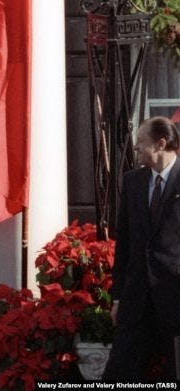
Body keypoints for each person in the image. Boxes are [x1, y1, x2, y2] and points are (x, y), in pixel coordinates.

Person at [103, 116, 180, 380]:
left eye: (140, 145)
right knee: (119, 374)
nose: (136, 151)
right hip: (136, 301)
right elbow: (123, 244)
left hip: (175, 300)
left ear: (160, 144)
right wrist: (117, 297)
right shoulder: (133, 181)